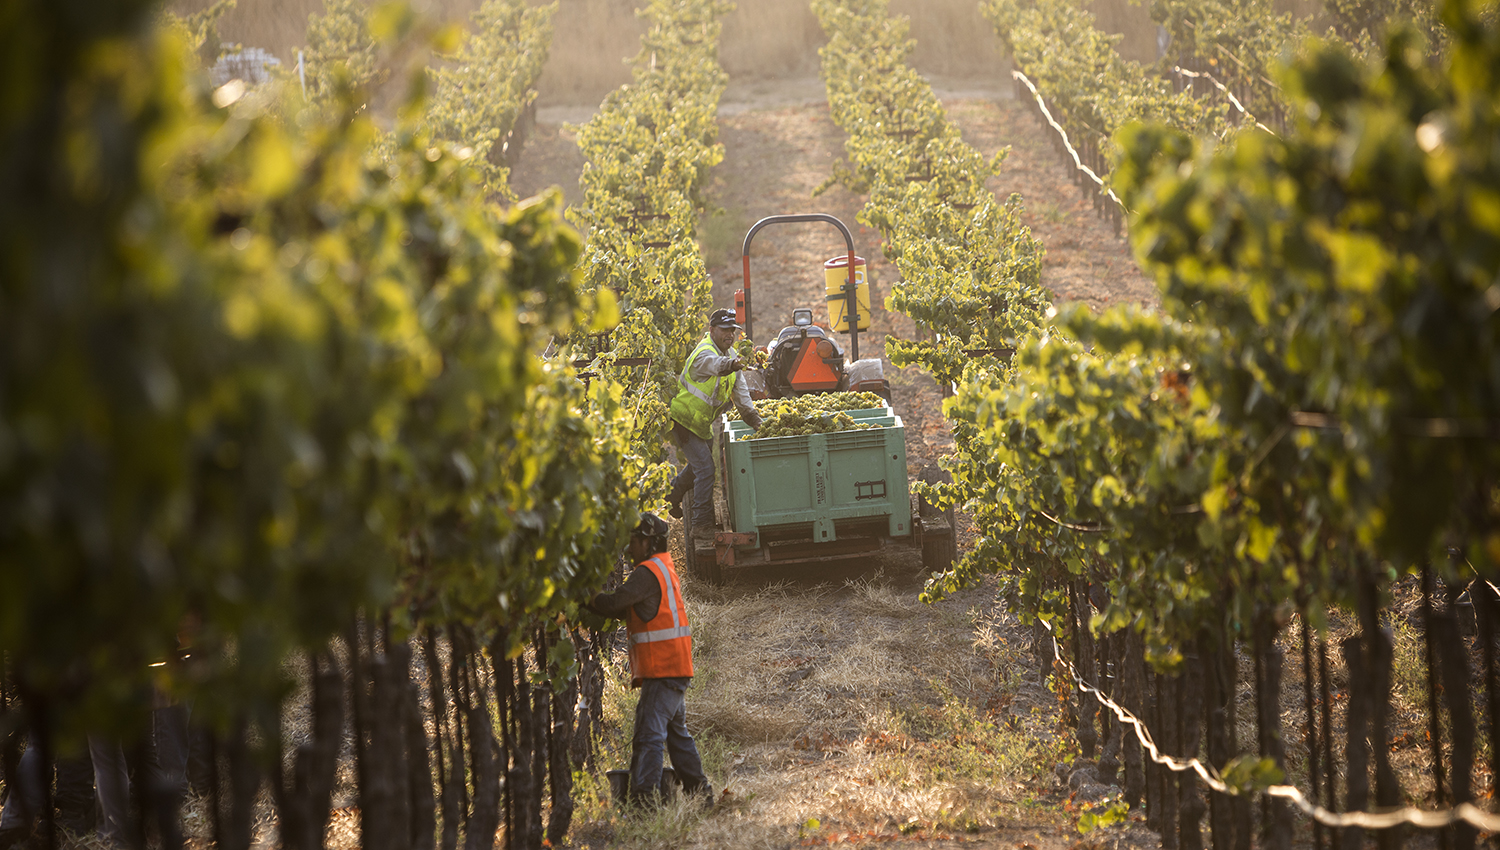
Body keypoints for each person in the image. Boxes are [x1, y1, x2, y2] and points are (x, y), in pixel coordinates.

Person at [586, 514, 713, 808]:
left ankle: (644, 802)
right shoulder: (664, 569)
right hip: (675, 666)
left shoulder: (646, 573)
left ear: (648, 541)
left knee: (648, 735)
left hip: (663, 669)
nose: (628, 550)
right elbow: (627, 611)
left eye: (632, 542)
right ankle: (701, 795)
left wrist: (589, 597)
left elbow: (616, 603)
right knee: (676, 736)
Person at [666, 308, 762, 539]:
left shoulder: (732, 356)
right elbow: (714, 364)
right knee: (707, 470)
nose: (729, 335)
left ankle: (673, 492)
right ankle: (701, 524)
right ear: (711, 331)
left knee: (700, 467)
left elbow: (741, 395)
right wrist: (733, 364)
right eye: (724, 330)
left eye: (733, 331)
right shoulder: (704, 353)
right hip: (684, 420)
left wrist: (756, 421)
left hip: (701, 424)